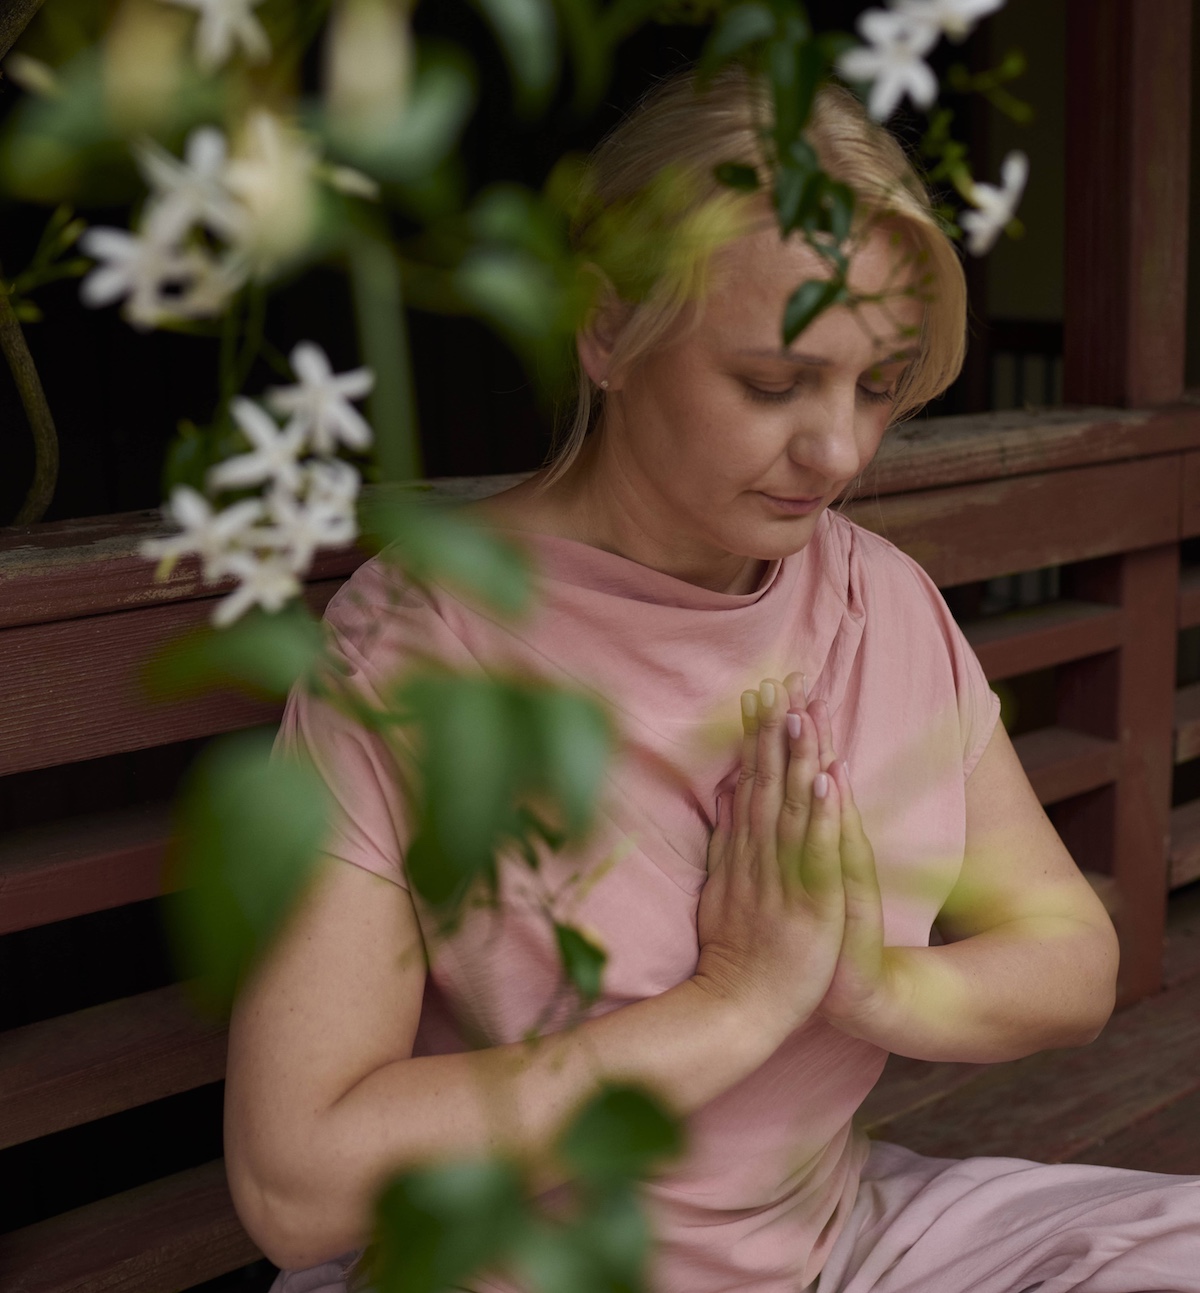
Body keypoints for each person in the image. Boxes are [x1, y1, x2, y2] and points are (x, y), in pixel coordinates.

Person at [224, 68, 1200, 1293]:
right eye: (774, 383)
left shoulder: (878, 598)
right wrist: (734, 1003)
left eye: (878, 383)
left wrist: (874, 983)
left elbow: (1069, 960)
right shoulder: (424, 648)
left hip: (835, 1244)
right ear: (607, 327)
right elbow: (294, 1183)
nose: (840, 450)